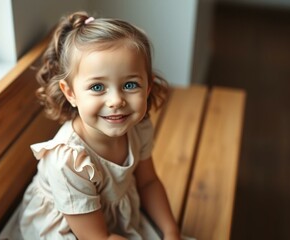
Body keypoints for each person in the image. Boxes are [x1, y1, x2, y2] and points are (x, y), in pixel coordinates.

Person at [19, 11, 181, 240]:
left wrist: (171, 231)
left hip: (109, 219)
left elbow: (148, 182)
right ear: (71, 93)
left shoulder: (138, 126)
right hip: (76, 230)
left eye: (130, 84)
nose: (116, 101)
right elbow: (98, 238)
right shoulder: (69, 161)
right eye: (97, 87)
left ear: (148, 86)